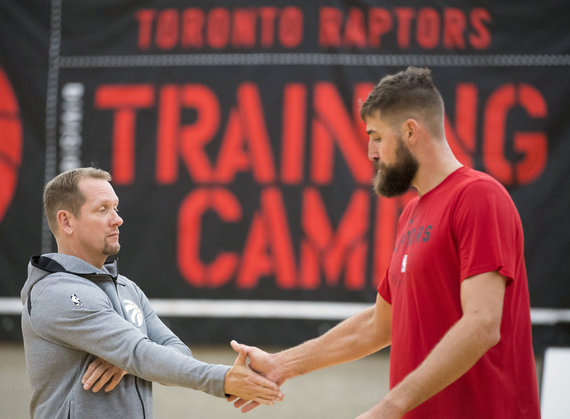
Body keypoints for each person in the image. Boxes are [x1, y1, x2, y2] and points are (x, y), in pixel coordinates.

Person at [229, 67, 540, 418]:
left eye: (376, 136)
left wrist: (390, 407)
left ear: (410, 130)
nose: (370, 152)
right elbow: (378, 325)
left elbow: (482, 325)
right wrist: (281, 364)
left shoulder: (479, 196)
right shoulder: (412, 214)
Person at [20, 167, 283, 418]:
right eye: (102, 209)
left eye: (116, 207)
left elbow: (176, 350)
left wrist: (126, 362)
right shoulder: (55, 293)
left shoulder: (126, 287)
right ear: (66, 221)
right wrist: (223, 379)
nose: (118, 219)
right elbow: (139, 352)